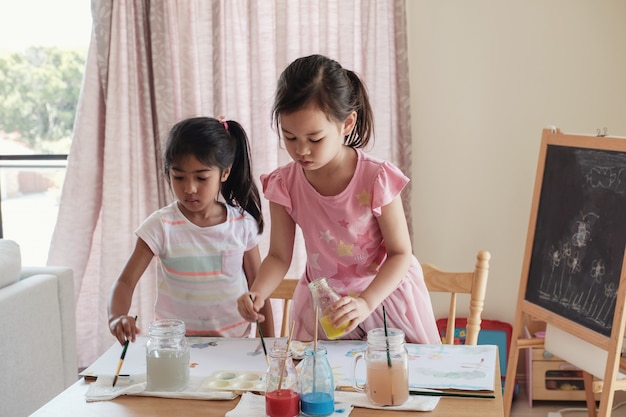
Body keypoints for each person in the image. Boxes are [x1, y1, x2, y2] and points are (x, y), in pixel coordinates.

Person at [237, 54, 440, 344]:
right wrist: (257, 291)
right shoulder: (285, 184)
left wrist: (366, 302)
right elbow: (279, 256)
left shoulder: (376, 178)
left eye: (315, 139)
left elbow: (400, 254)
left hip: (382, 300)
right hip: (325, 307)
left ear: (347, 124)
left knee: (398, 383)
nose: (301, 150)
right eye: (290, 137)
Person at [108, 116, 274, 345]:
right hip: (175, 347)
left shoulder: (242, 224)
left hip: (234, 346)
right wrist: (116, 317)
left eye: (201, 177)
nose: (189, 188)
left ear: (224, 173)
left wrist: (274, 346)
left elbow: (259, 289)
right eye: (178, 177)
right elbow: (125, 282)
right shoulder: (160, 226)